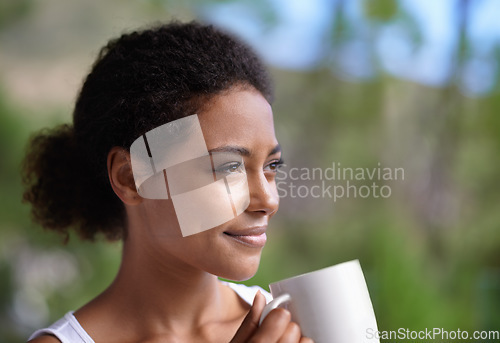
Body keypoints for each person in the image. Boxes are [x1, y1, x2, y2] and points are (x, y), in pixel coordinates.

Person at [23, 21, 313, 343]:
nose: (269, 201)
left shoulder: (297, 326)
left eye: (272, 165)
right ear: (131, 178)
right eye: (229, 167)